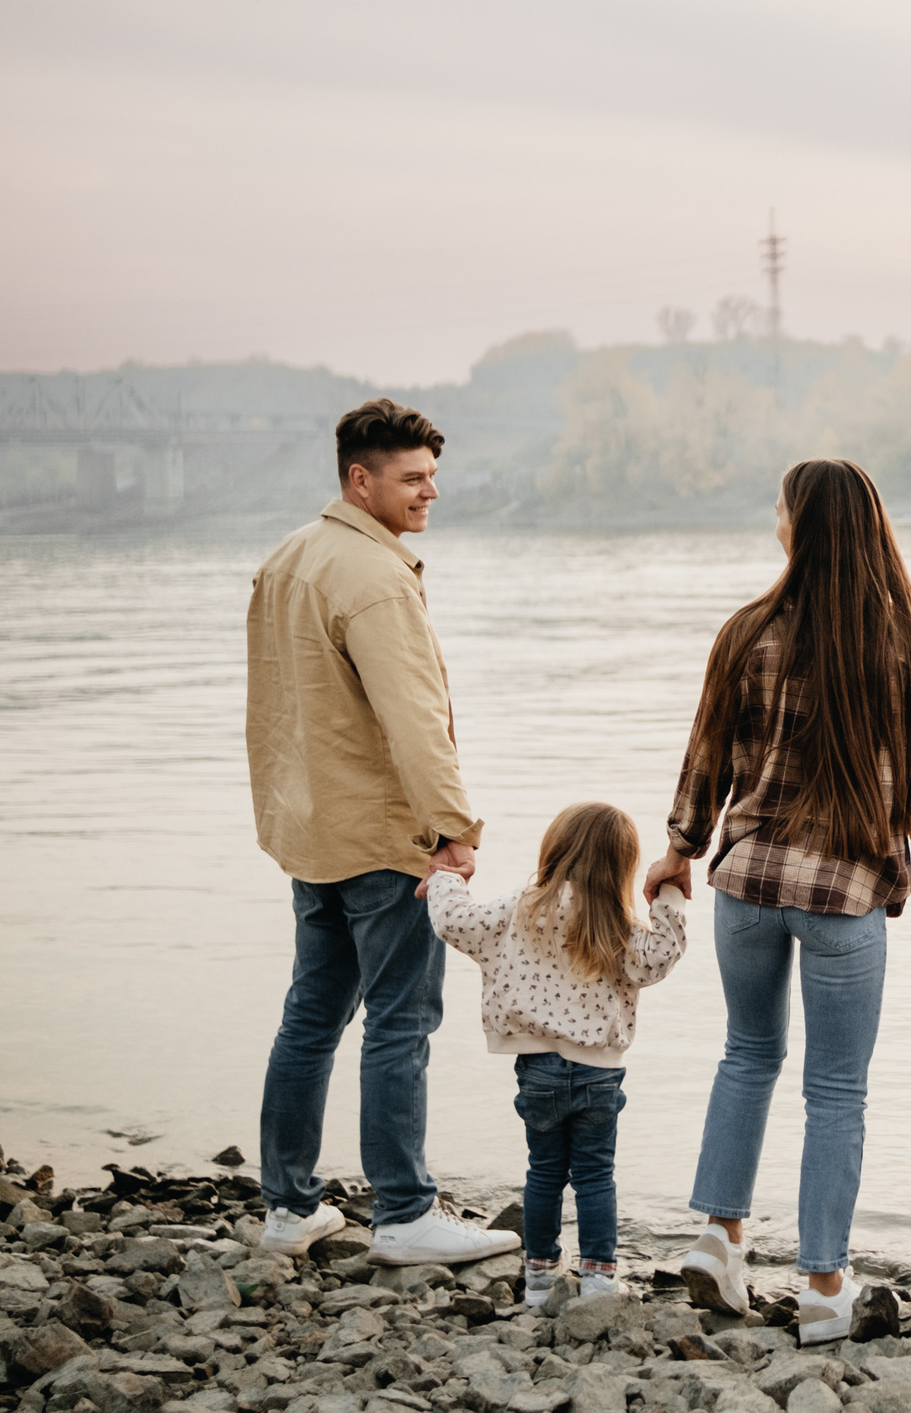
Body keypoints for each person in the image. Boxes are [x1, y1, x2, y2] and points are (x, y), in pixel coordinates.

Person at [646, 458, 911, 1346]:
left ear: (800, 525)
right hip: (845, 892)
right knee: (836, 1089)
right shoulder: (905, 643)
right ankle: (823, 1285)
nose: (775, 519)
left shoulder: (747, 629)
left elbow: (705, 754)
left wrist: (679, 846)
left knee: (746, 1055)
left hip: (745, 884)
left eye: (780, 507)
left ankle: (721, 1234)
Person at [244, 398, 520, 1267]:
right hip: (382, 838)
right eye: (411, 477)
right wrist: (451, 832)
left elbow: (273, 710)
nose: (429, 491)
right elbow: (413, 718)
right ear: (359, 480)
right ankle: (403, 1213)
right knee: (402, 1021)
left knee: (312, 1014)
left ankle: (289, 1207)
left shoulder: (287, 558)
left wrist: (283, 815)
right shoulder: (374, 576)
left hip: (310, 829)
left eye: (432, 475)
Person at [430, 801, 688, 1306]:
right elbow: (661, 956)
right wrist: (671, 894)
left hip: (538, 1068)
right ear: (623, 868)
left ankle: (542, 1276)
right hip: (599, 1074)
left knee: (544, 1171)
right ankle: (597, 1277)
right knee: (595, 1175)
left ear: (554, 851)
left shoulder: (521, 908)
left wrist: (446, 877)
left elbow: (455, 922)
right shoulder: (616, 922)